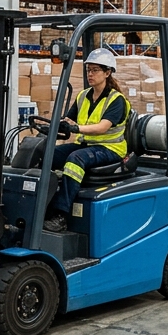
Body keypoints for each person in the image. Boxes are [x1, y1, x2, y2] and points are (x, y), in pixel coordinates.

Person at [44, 48, 131, 231]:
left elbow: (102, 127)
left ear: (107, 73)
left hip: (110, 149)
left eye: (95, 70)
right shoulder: (83, 96)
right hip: (86, 145)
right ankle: (41, 206)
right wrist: (55, 126)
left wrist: (76, 128)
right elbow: (69, 120)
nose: (90, 74)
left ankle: (61, 215)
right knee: (46, 153)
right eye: (88, 70)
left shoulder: (116, 100)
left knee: (75, 160)